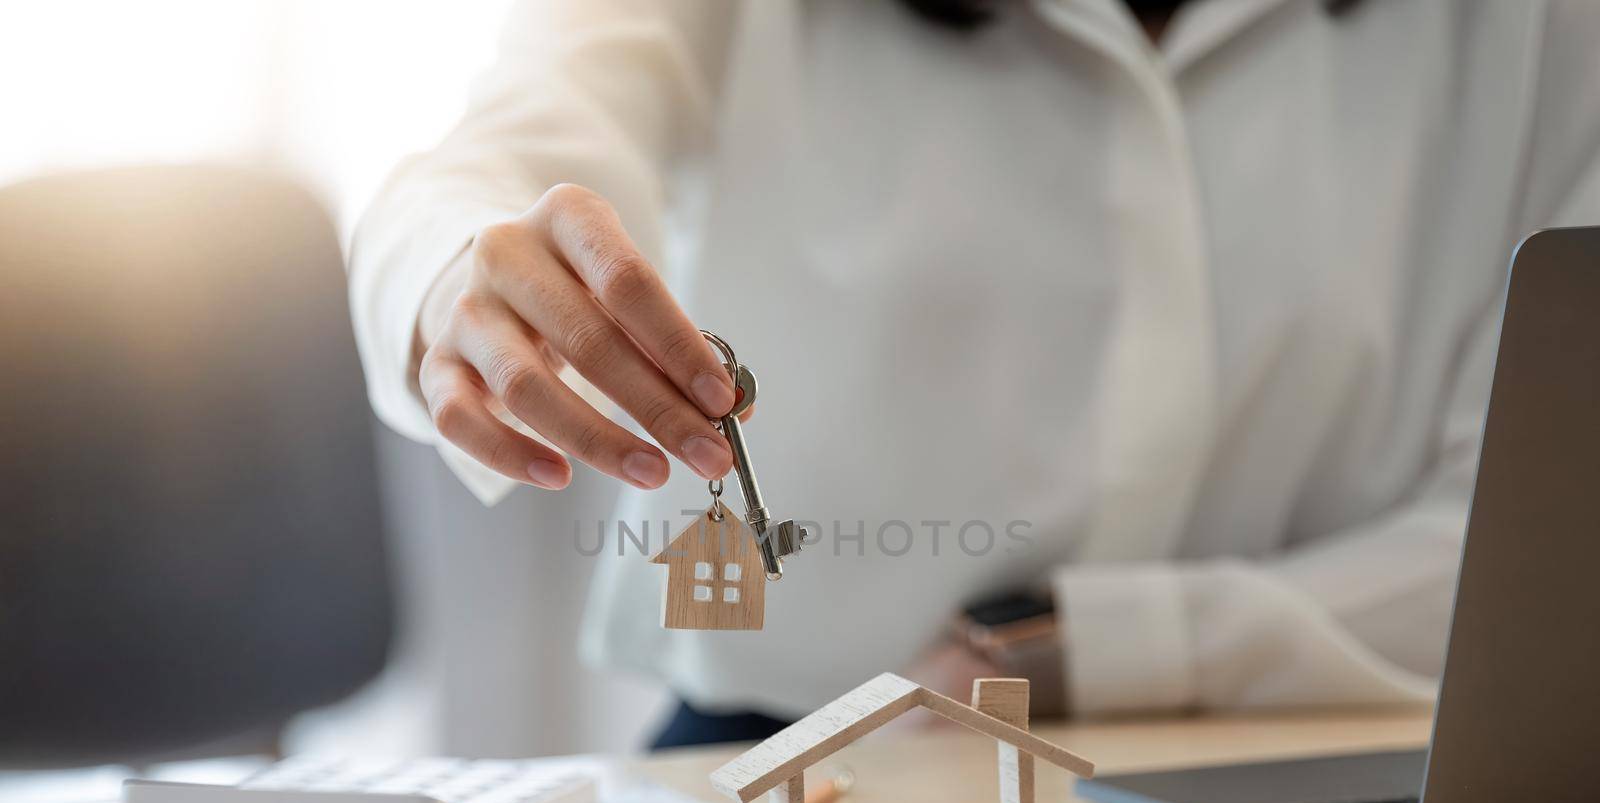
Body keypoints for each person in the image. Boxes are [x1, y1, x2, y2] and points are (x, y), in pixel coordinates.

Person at [350, 0, 1600, 747]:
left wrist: (1069, 651)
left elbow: (1528, 558)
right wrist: (458, 277)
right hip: (801, 754)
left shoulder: (1533, 36)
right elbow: (489, 160)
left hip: (1315, 768)